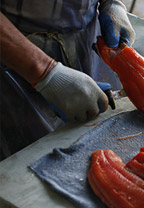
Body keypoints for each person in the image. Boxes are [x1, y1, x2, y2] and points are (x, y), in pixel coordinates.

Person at [0, 0, 135, 160]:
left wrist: (112, 4)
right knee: (33, 160)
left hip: (87, 43)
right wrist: (45, 73)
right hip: (14, 60)